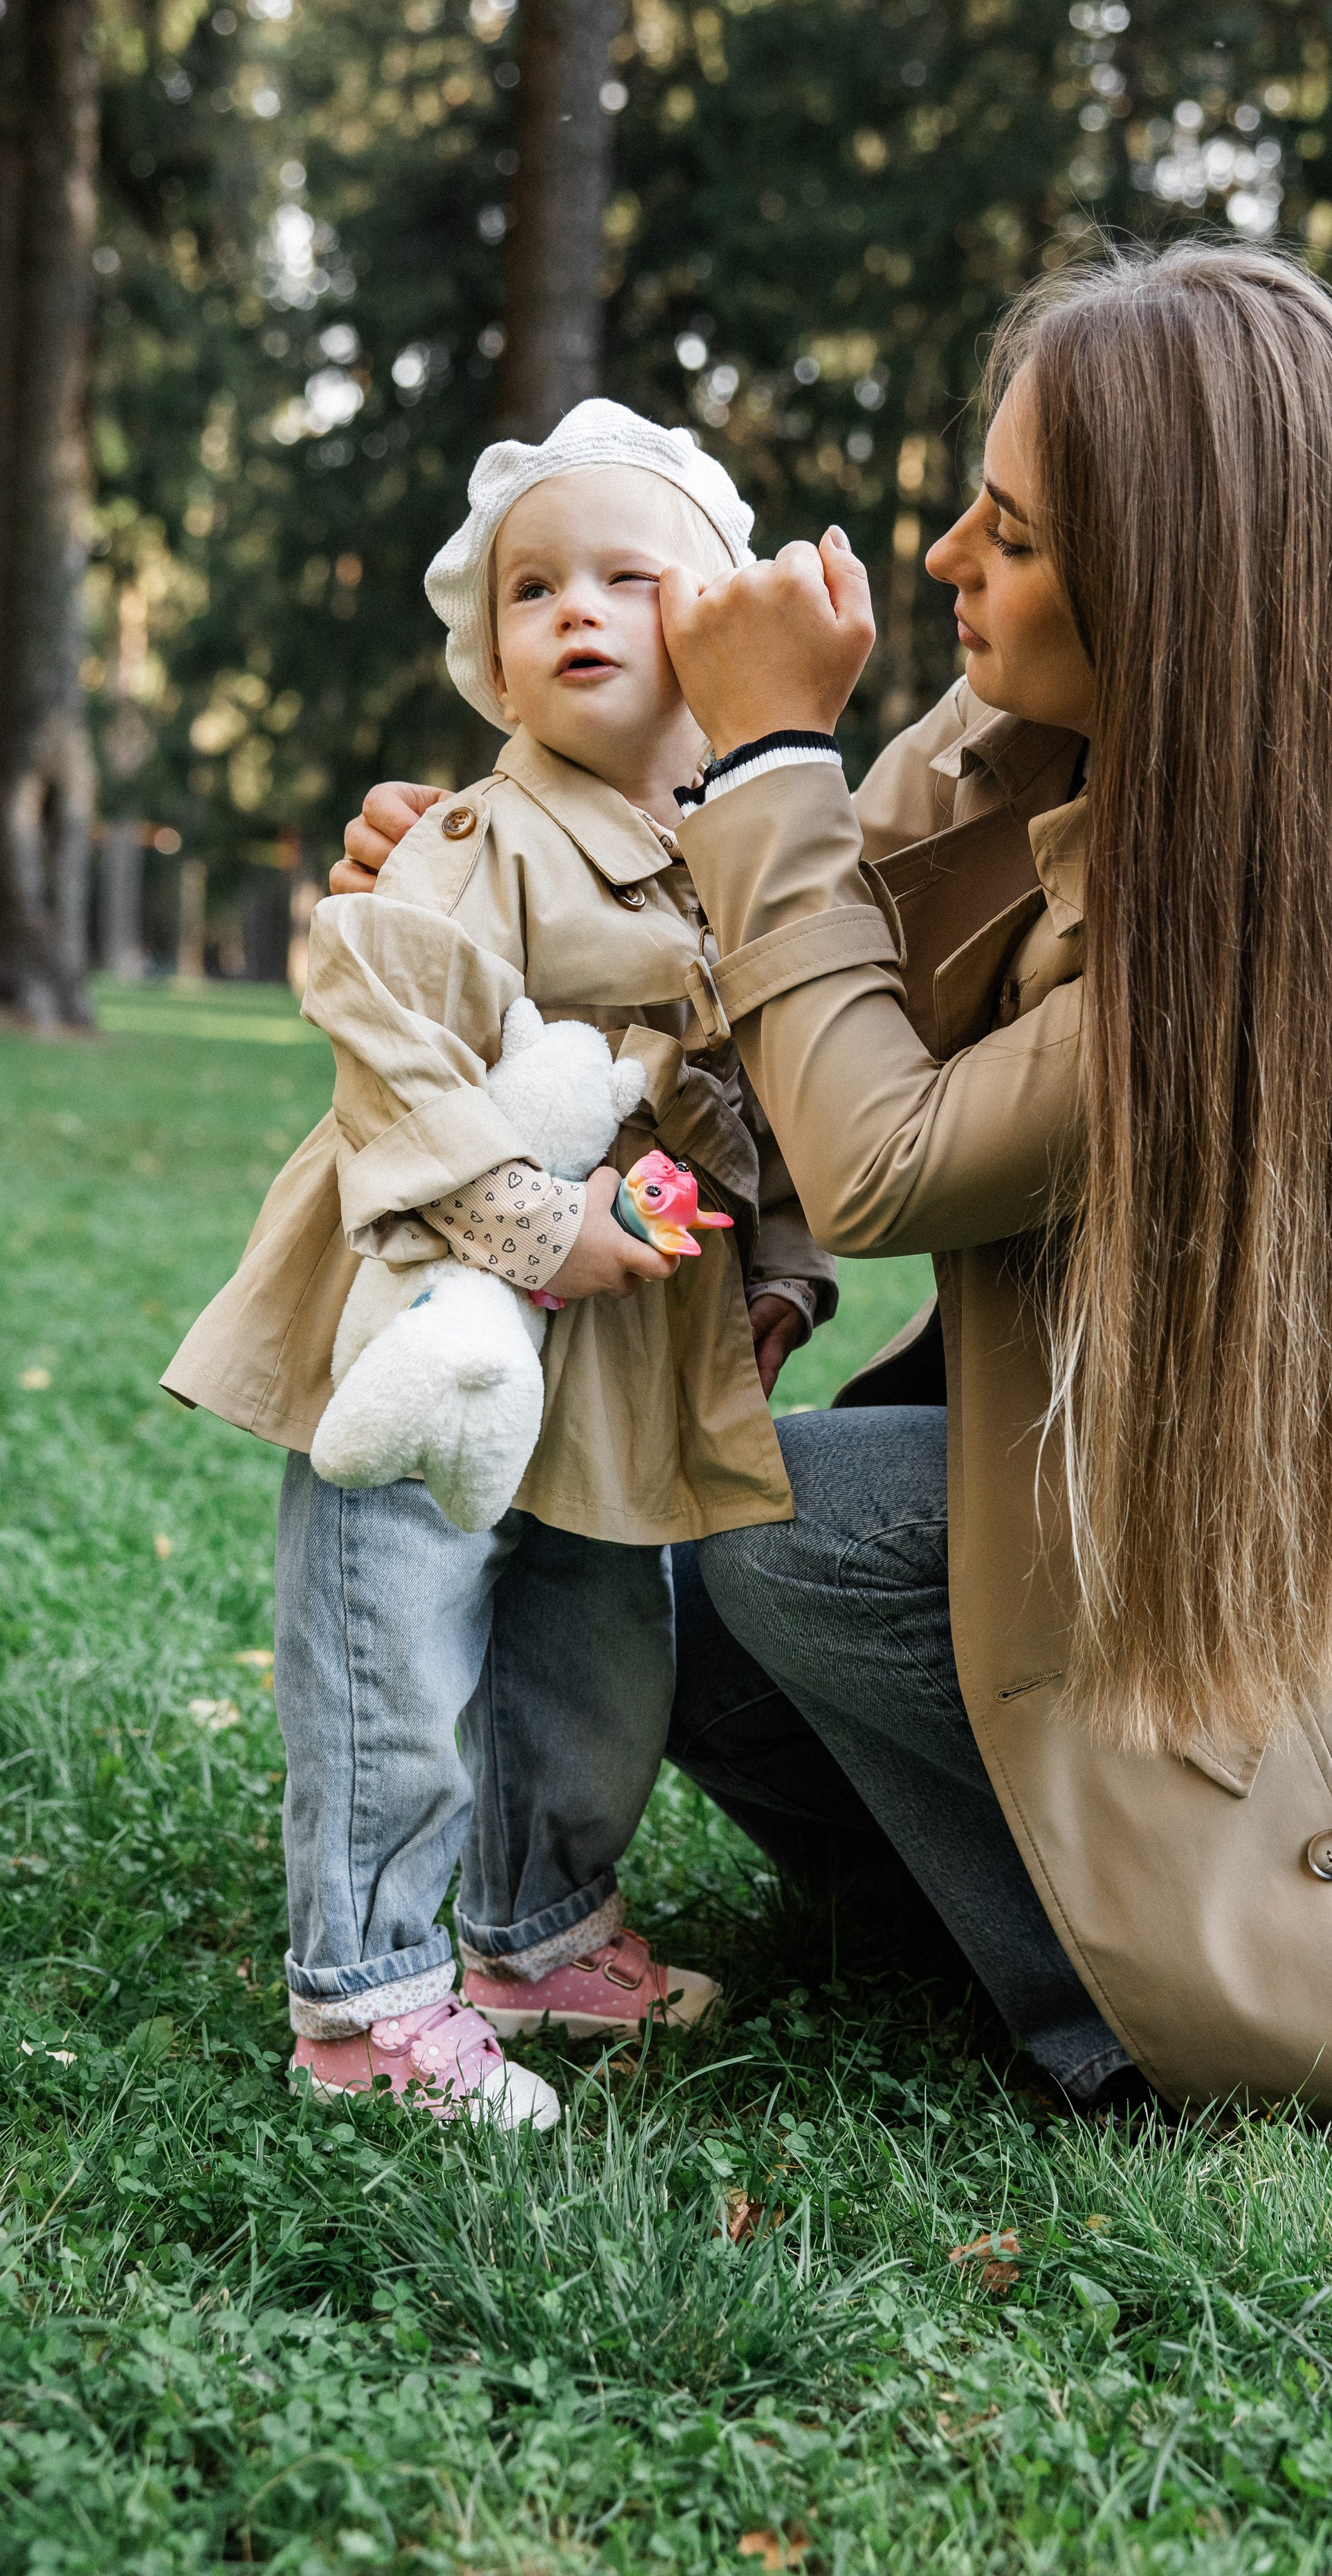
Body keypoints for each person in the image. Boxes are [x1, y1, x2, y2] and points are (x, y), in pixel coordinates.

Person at [340, 246, 1332, 2151]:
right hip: (1158, 1520)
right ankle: (1061, 1913)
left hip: (1318, 1662)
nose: (939, 564)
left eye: (1008, 531)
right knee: (688, 1566)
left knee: (776, 1536)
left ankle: (1125, 2005)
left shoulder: (1296, 908)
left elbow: (874, 1148)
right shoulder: (1063, 743)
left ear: (1167, 592)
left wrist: (769, 753)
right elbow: (754, 950)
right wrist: (488, 861)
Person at [165, 401, 834, 2128]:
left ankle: (535, 1928)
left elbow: (764, 1085)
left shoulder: (731, 862)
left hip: (613, 1349)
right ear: (496, 656)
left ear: (722, 633)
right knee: (397, 1630)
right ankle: (366, 1997)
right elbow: (386, 1032)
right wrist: (535, 1225)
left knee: (599, 1639)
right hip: (433, 1318)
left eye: (631, 574)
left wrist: (777, 1270)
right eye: (534, 588)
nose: (577, 610)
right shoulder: (478, 839)